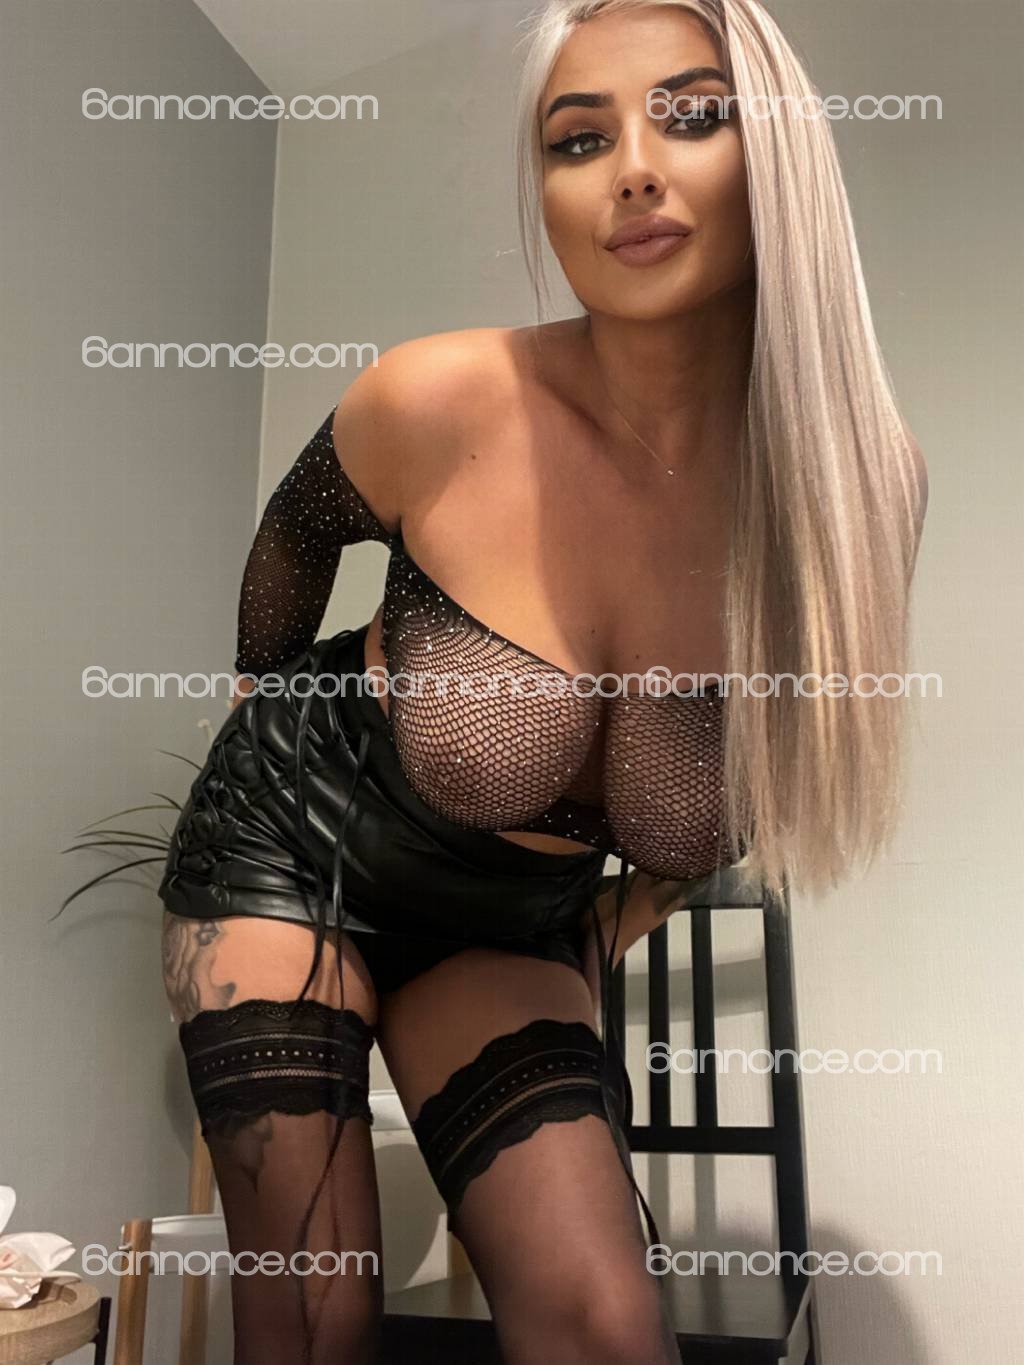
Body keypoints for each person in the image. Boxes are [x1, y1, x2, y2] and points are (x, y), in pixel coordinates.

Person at [158, 2, 928, 1362]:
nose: (631, 169)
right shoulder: (441, 398)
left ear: (783, 154)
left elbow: (762, 779)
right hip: (292, 849)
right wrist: (252, 706)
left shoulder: (853, 493)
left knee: (606, 1327)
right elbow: (292, 539)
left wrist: (613, 913)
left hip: (507, 922)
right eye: (579, 139)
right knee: (317, 1316)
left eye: (693, 116)